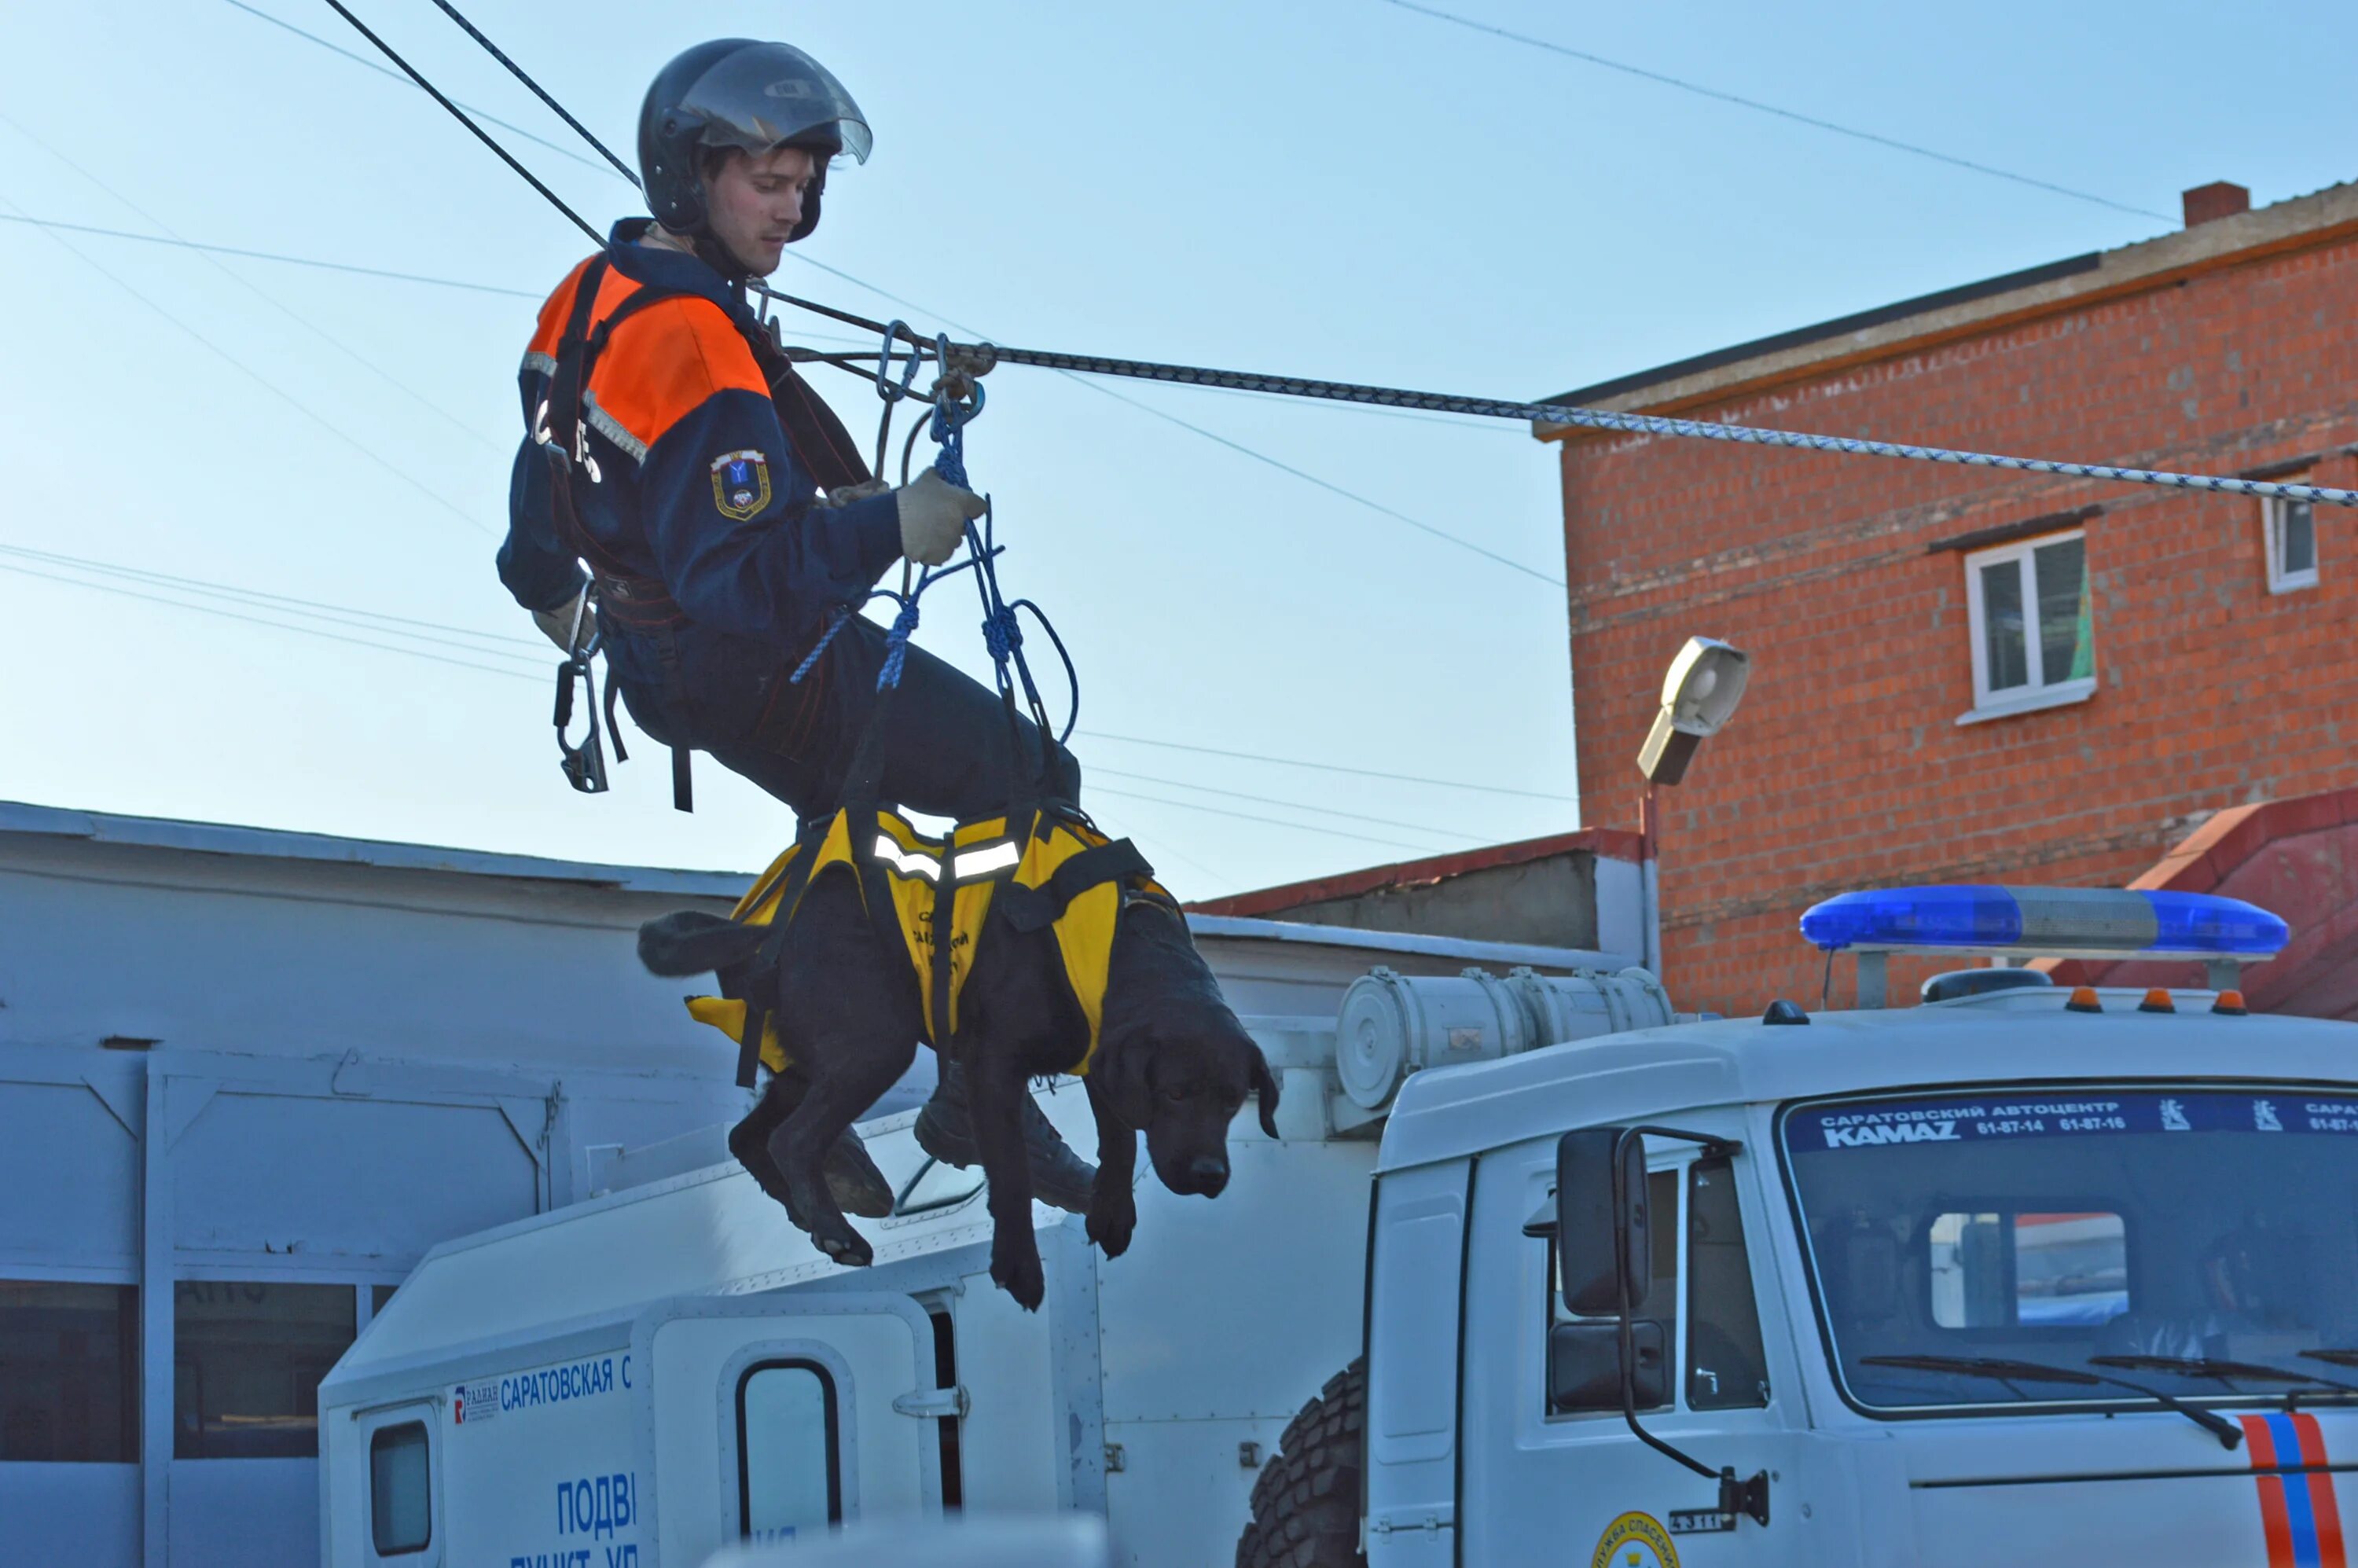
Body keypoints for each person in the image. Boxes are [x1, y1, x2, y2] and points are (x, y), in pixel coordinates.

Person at [497, 38, 1094, 1211]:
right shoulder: (698, 346)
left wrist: (553, 592)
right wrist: (892, 529)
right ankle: (977, 1095)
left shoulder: (588, 295)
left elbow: (542, 479)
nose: (796, 207)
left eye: (806, 182)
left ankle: (809, 1110)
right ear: (691, 175)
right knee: (1033, 783)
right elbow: (749, 587)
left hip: (657, 668)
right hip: (749, 664)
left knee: (857, 835)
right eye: (767, 183)